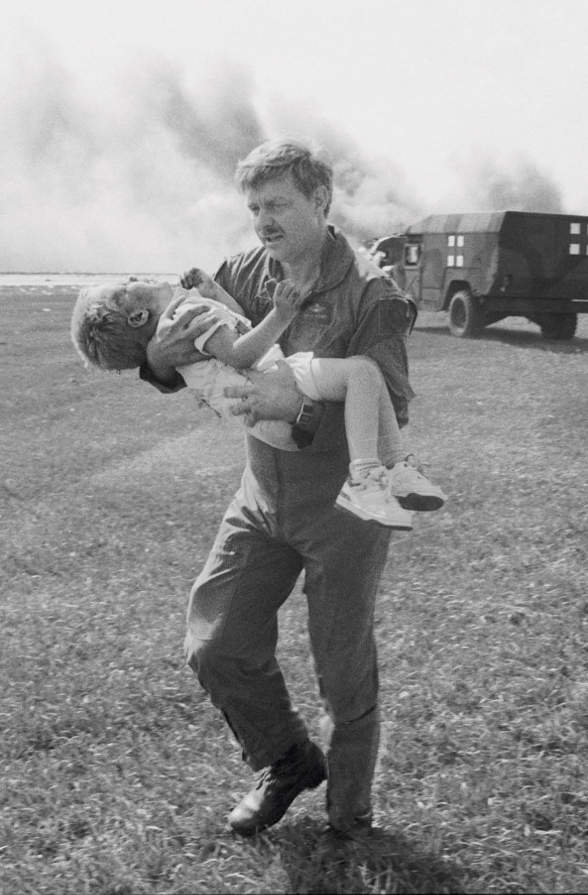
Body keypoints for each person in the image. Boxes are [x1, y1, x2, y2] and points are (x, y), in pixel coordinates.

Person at [139, 138, 428, 841]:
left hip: (341, 506)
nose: (263, 220)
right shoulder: (242, 270)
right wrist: (158, 358)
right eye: (254, 206)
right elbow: (198, 343)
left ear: (321, 201)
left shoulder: (370, 291)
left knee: (341, 665)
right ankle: (285, 760)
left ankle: (351, 815)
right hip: (261, 495)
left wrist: (294, 404)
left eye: (278, 204)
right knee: (216, 642)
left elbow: (391, 398)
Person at [70, 273, 444, 529]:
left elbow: (239, 324)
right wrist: (282, 315)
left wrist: (215, 291)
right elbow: (238, 353)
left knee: (366, 373)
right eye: (126, 286)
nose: (135, 278)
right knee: (363, 374)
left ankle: (396, 471)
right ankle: (368, 478)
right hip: (271, 380)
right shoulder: (187, 318)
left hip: (270, 392)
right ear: (137, 315)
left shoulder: (186, 316)